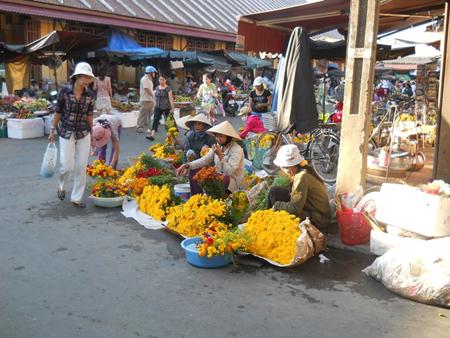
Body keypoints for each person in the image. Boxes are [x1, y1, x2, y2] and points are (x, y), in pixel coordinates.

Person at [48, 62, 96, 208]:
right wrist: (52, 129)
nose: (87, 80)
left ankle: (76, 198)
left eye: (89, 77)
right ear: (77, 76)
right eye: (85, 76)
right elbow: (58, 112)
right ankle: (61, 185)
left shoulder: (90, 96)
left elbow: (89, 116)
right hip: (66, 131)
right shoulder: (64, 92)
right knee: (66, 166)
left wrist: (92, 134)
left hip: (83, 132)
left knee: (81, 166)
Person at [268, 144, 331, 231]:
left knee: (283, 210)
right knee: (274, 192)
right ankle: (270, 220)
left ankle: (278, 228)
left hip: (319, 218)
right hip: (310, 208)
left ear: (288, 167)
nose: (282, 170)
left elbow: (295, 209)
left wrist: (277, 206)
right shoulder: (303, 169)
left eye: (282, 168)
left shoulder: (302, 177)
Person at [177, 121, 245, 195]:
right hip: (218, 176)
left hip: (232, 181)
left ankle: (215, 198)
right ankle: (198, 197)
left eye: (221, 136)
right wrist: (188, 165)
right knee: (195, 171)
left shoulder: (236, 150)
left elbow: (229, 172)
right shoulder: (218, 146)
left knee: (215, 178)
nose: (218, 139)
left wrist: (220, 156)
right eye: (216, 136)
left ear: (228, 137)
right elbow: (204, 160)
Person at [146, 74, 175, 141]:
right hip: (158, 107)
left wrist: (172, 108)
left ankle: (171, 136)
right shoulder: (157, 88)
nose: (160, 81)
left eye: (162, 79)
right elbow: (155, 97)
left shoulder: (168, 89)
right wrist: (154, 105)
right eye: (160, 79)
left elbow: (171, 99)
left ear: (165, 80)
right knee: (155, 120)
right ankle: (152, 135)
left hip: (166, 107)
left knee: (168, 122)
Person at [137, 65, 157, 133]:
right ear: (150, 72)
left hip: (150, 99)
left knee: (151, 115)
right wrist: (153, 95)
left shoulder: (149, 80)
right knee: (143, 114)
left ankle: (151, 127)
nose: (154, 74)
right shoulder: (144, 79)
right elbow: (147, 89)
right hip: (145, 99)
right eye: (153, 72)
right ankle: (140, 127)